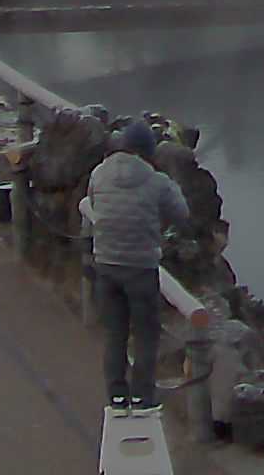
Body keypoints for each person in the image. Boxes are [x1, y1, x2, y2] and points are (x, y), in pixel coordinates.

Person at [78, 118, 191, 410]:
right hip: (141, 268)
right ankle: (142, 396)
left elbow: (93, 204)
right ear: (146, 151)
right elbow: (182, 214)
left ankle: (116, 395)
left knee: (115, 334)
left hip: (106, 266)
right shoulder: (156, 181)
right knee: (145, 335)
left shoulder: (99, 174)